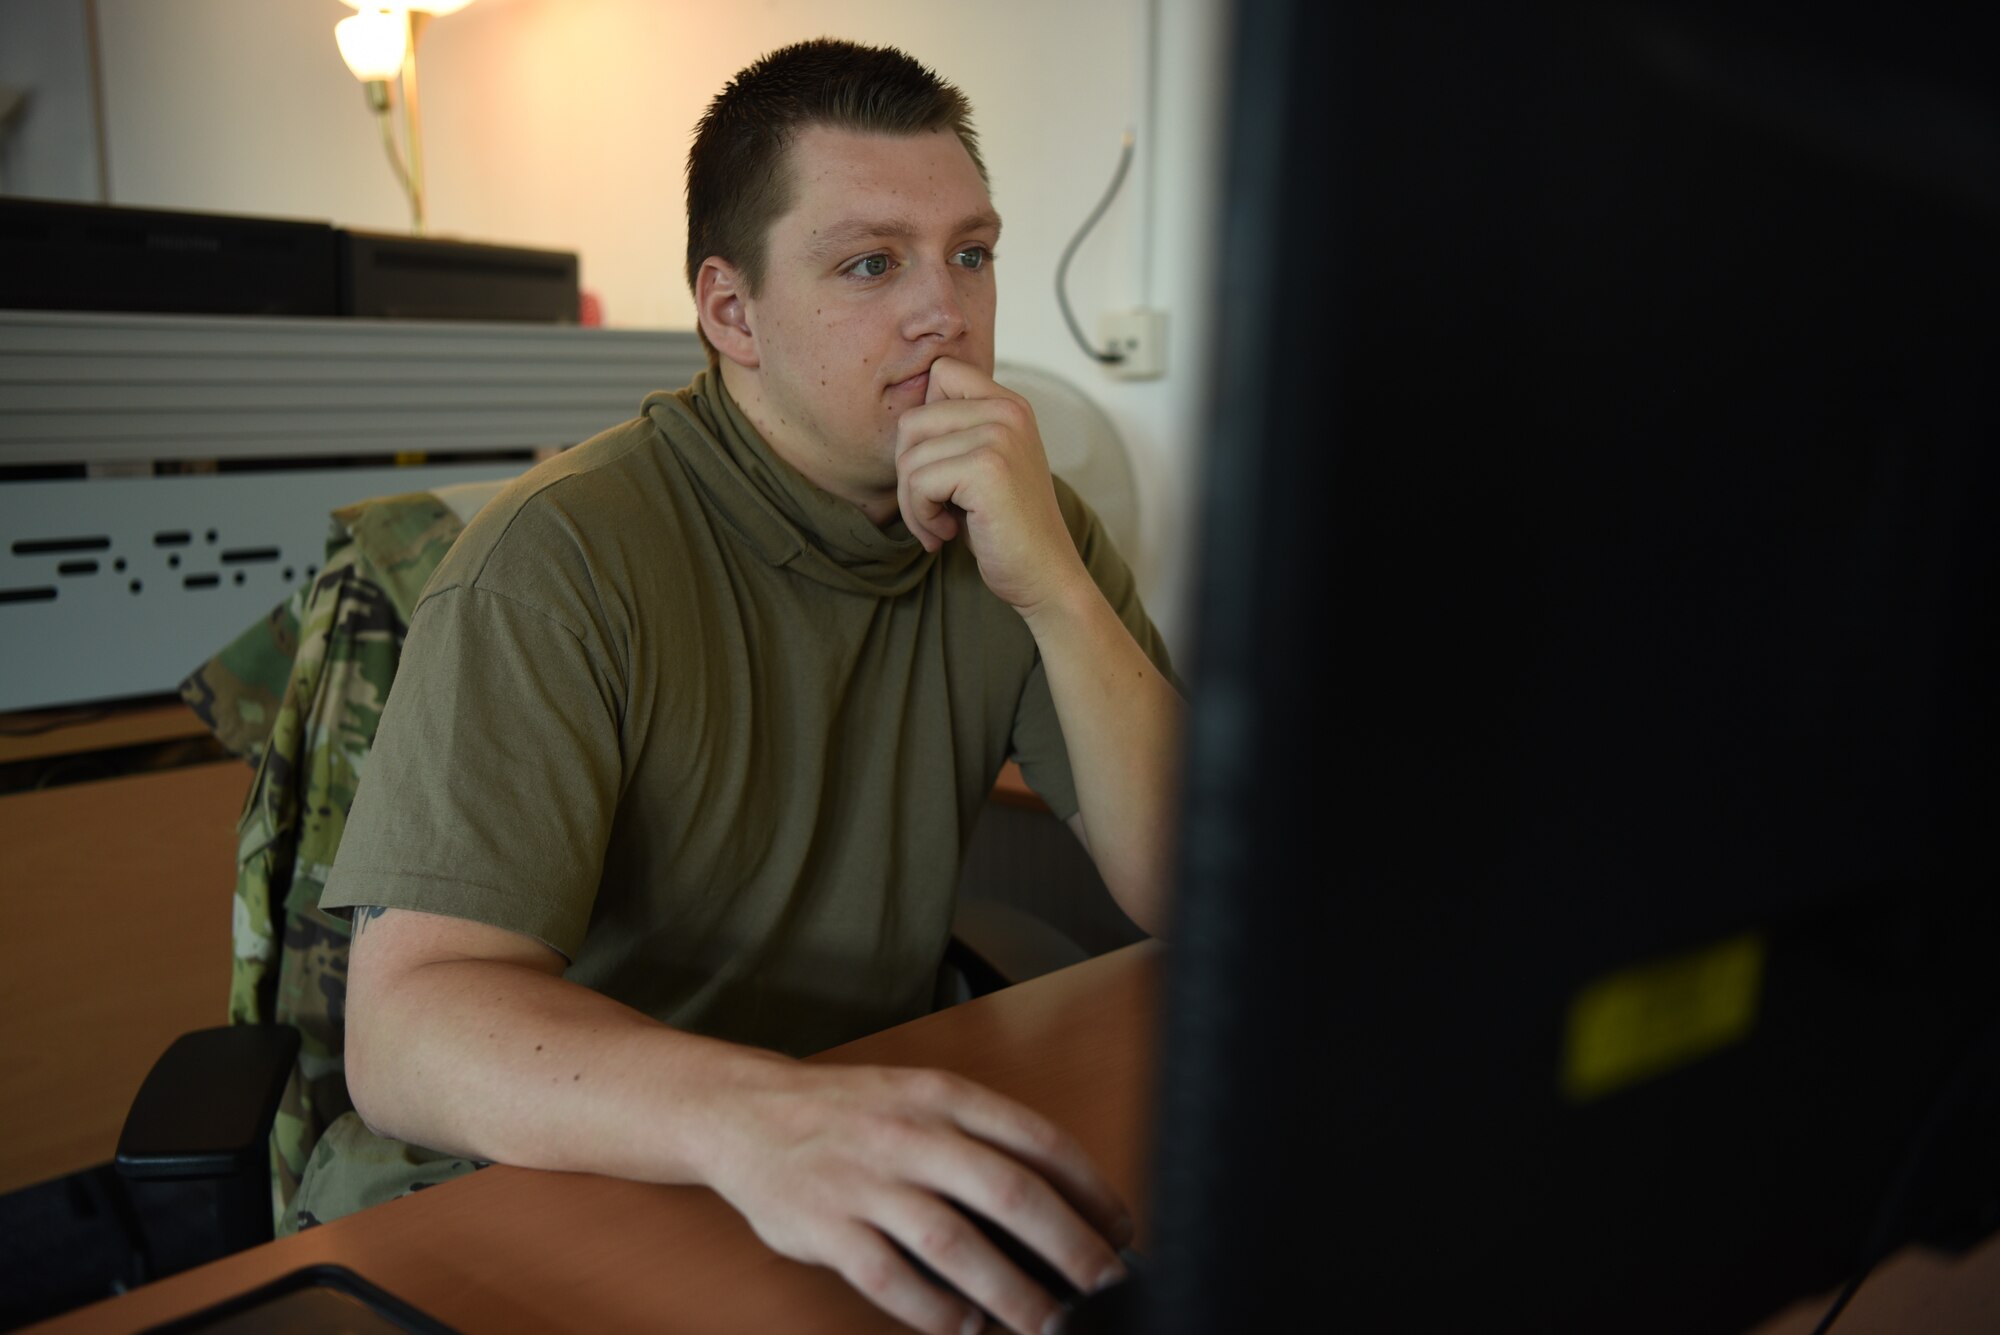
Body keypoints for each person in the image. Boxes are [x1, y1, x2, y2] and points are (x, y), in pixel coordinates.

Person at [301, 36, 1183, 1335]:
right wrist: (761, 1114)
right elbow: (411, 1028)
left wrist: (1053, 587)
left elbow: (1207, 892)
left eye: (973, 253)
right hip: (557, 1175)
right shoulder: (561, 558)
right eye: (871, 262)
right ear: (730, 311)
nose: (946, 311)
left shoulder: (1019, 522)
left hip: (843, 1141)